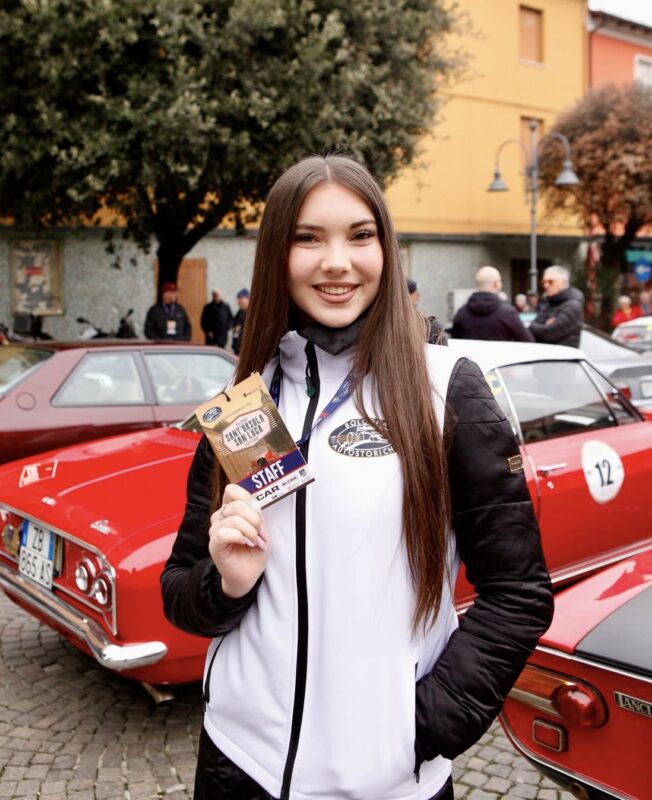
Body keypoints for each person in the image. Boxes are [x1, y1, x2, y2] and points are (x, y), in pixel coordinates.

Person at [161, 155, 553, 800]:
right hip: (237, 762)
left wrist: (418, 730)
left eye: (360, 235)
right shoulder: (245, 403)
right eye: (308, 238)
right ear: (276, 255)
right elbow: (179, 589)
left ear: (386, 249)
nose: (337, 262)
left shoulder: (447, 390)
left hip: (384, 779)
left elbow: (518, 593)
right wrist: (226, 585)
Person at [451, 266, 534, 342]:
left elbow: (455, 341)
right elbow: (528, 341)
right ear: (496, 284)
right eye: (500, 281)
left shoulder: (461, 313)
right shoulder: (508, 313)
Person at [530, 265, 583, 347]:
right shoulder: (549, 303)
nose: (545, 285)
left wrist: (534, 327)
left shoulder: (573, 305)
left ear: (564, 282)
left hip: (563, 354)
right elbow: (535, 326)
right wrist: (537, 327)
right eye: (543, 282)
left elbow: (549, 333)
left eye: (550, 282)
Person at [231, 288, 250, 355]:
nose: (239, 302)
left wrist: (240, 328)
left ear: (248, 299)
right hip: (237, 348)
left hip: (245, 350)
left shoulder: (251, 314)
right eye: (238, 299)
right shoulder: (240, 312)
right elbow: (233, 322)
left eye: (241, 298)